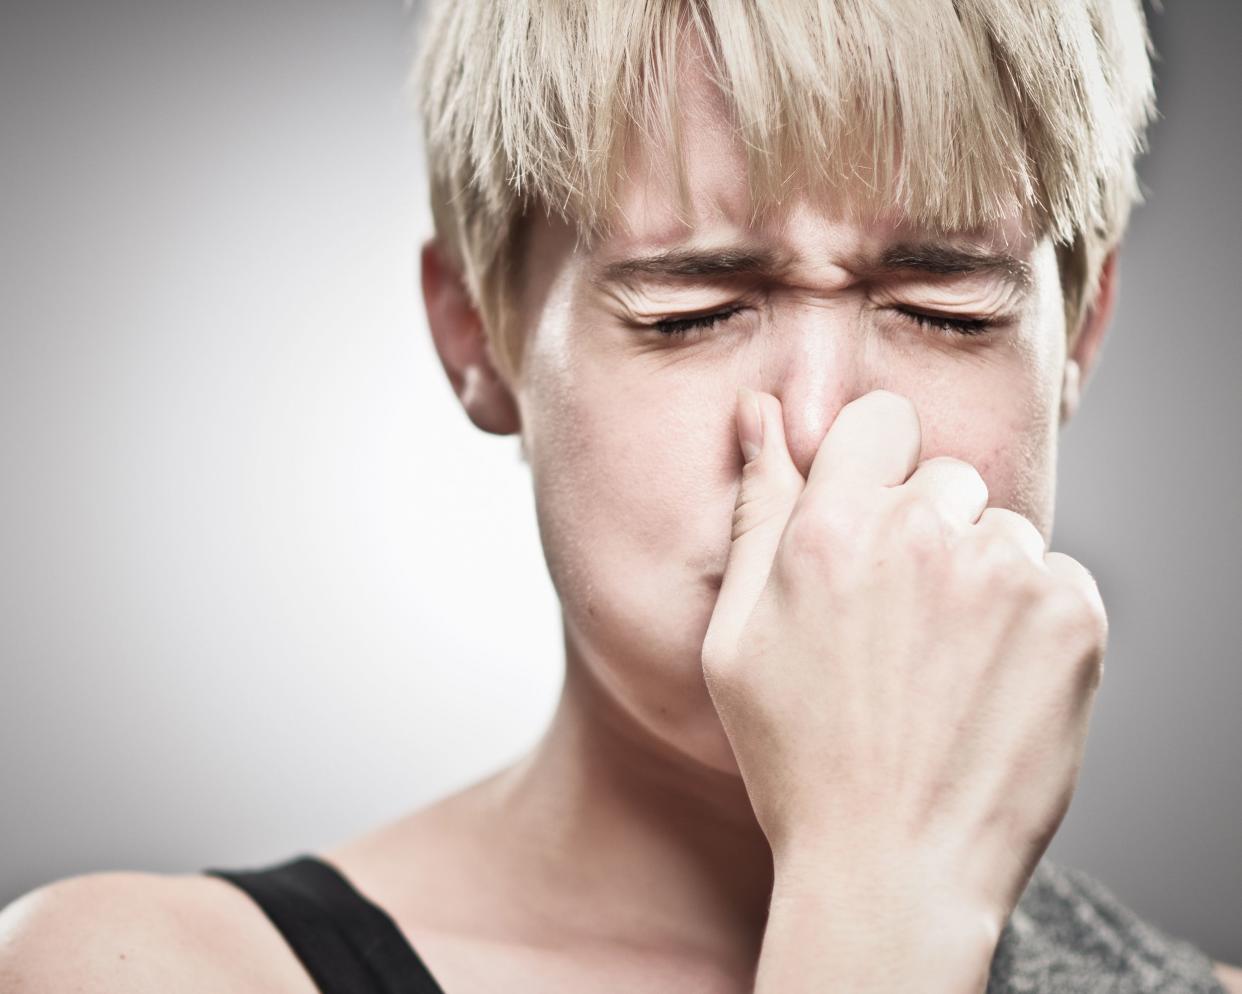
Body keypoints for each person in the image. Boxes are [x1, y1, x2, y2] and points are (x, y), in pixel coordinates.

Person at [0, 1, 1238, 992]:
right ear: (476, 333)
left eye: (941, 307)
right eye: (690, 312)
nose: (815, 428)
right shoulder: (140, 968)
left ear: (1080, 326)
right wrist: (874, 908)